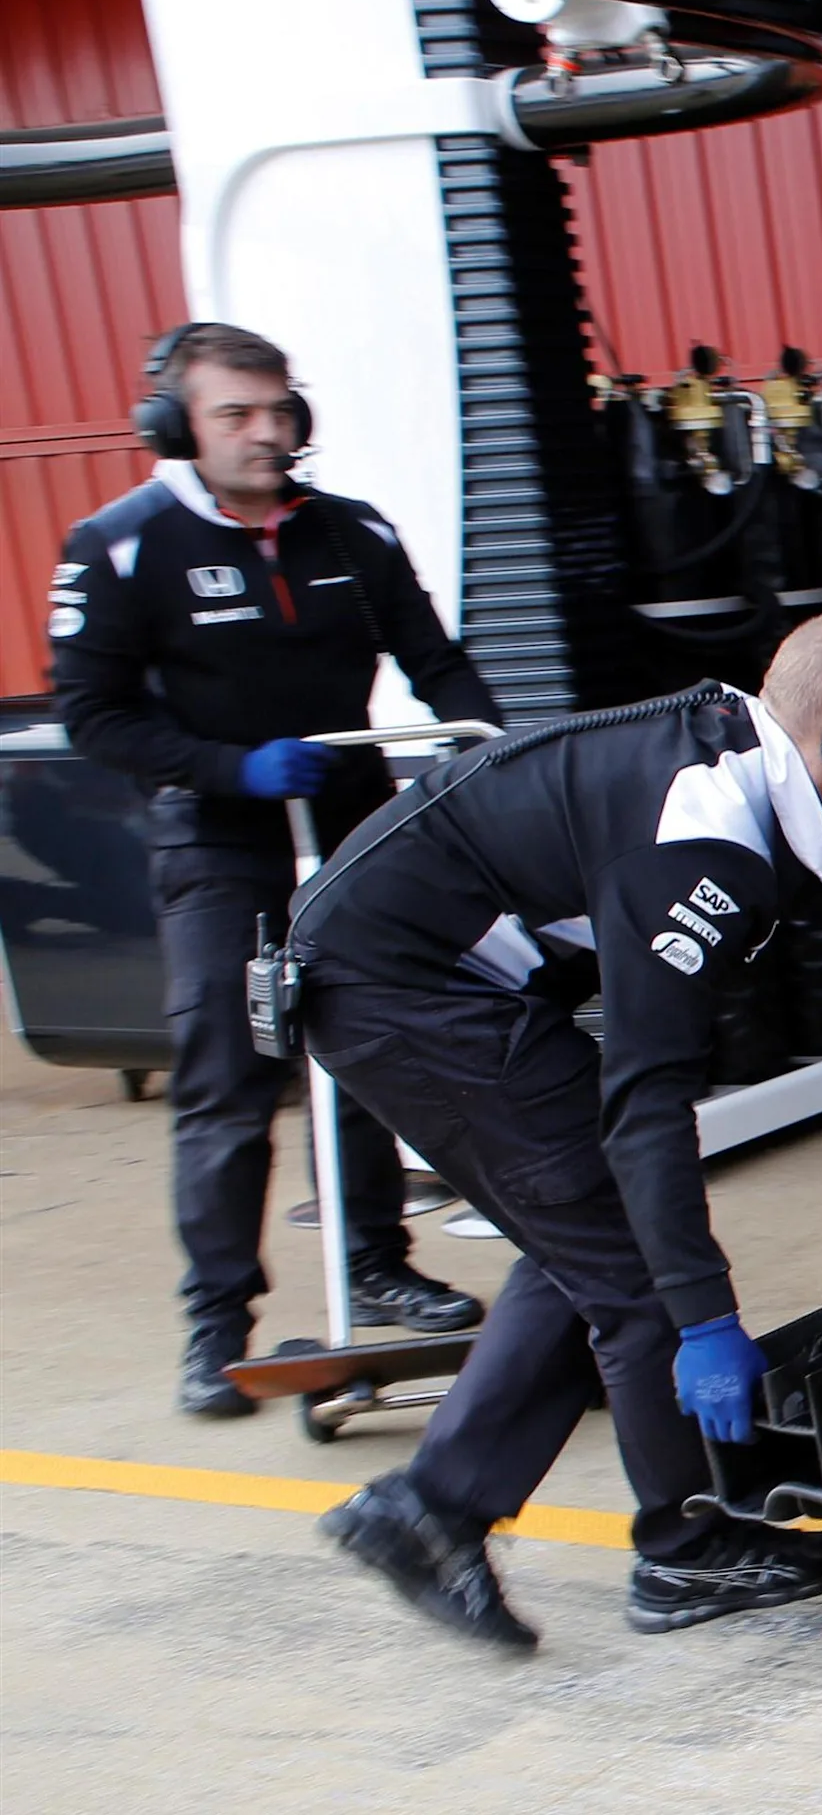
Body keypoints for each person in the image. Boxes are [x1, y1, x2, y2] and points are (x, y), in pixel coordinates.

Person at [297, 614, 822, 1645]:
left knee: (588, 1246)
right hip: (400, 993)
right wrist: (704, 1321)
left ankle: (431, 1510)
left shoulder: (746, 753)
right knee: (636, 1269)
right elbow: (645, 1104)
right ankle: (685, 1550)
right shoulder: (706, 848)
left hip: (417, 973)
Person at [48, 321, 497, 1419]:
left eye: (279, 409)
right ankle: (216, 1325)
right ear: (175, 427)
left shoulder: (354, 532)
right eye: (235, 413)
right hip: (217, 835)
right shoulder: (118, 547)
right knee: (228, 1077)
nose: (266, 431)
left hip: (351, 826)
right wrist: (229, 768)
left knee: (366, 1049)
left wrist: (484, 746)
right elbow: (93, 716)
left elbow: (435, 661)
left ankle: (374, 1265)